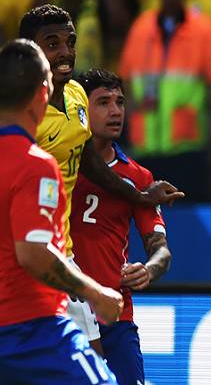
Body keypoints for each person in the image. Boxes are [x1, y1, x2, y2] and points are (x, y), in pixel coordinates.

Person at [20, 4, 184, 355]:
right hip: (27, 254)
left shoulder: (76, 95)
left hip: (61, 254)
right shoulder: (20, 112)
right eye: (52, 43)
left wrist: (140, 195)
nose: (65, 52)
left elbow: (90, 163)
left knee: (91, 359)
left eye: (70, 42)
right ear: (29, 49)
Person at [0, 39, 121, 384]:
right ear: (43, 93)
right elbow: (35, 253)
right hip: (31, 331)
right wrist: (96, 293)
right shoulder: (36, 165)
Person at [72, 69, 172, 385]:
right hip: (63, 311)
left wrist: (150, 269)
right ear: (80, 109)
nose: (116, 111)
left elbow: (161, 249)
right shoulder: (60, 163)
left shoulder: (140, 177)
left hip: (114, 316)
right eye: (103, 102)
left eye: (120, 102)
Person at [120, 0, 211, 202]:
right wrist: (128, 113)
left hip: (186, 142)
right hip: (146, 142)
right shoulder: (141, 27)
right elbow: (126, 77)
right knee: (147, 217)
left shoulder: (203, 29)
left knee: (189, 212)